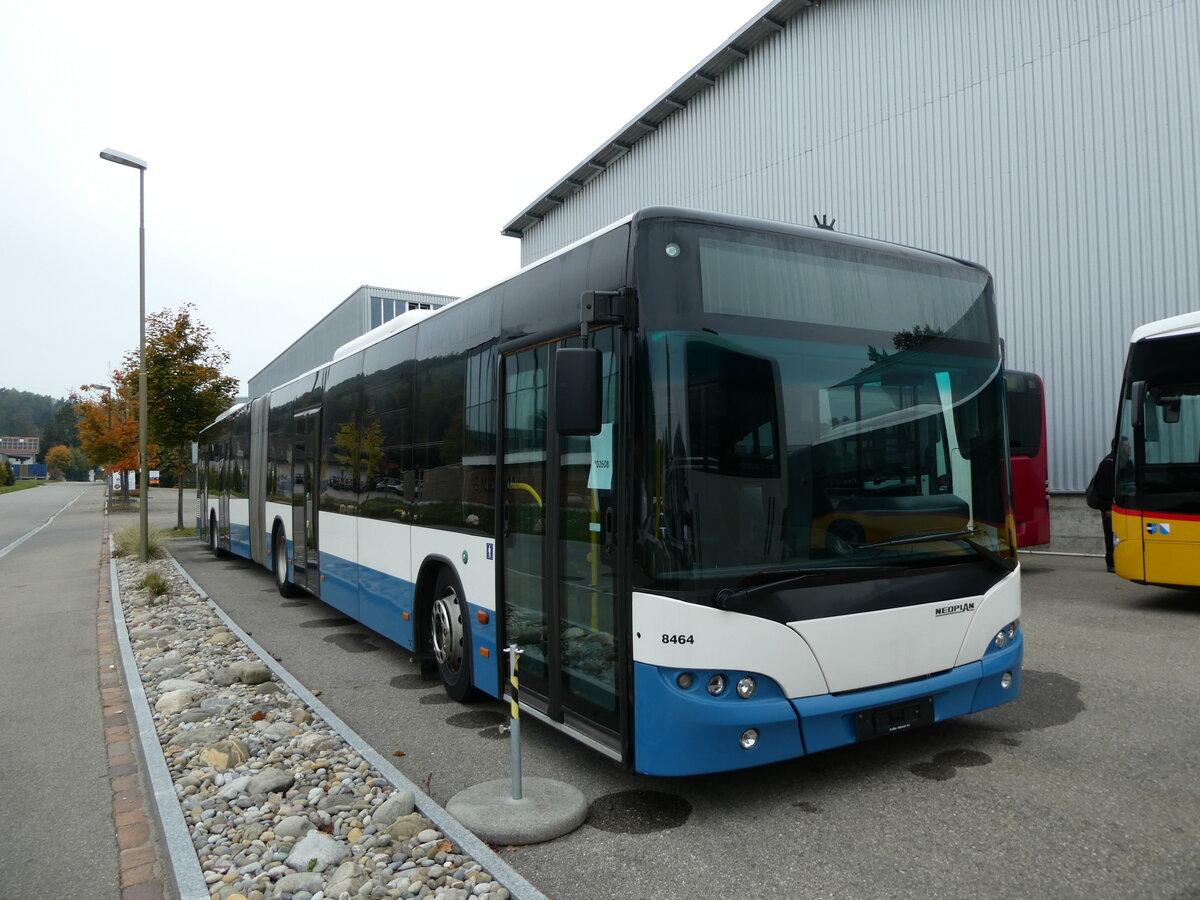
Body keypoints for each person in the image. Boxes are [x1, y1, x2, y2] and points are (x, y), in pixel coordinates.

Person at [1086, 446, 1116, 572]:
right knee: (1110, 535)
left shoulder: (1124, 462)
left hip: (1122, 505)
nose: (1130, 448)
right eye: (1127, 445)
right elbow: (1104, 490)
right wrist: (1107, 509)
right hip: (1109, 507)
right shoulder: (1107, 464)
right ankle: (1111, 563)